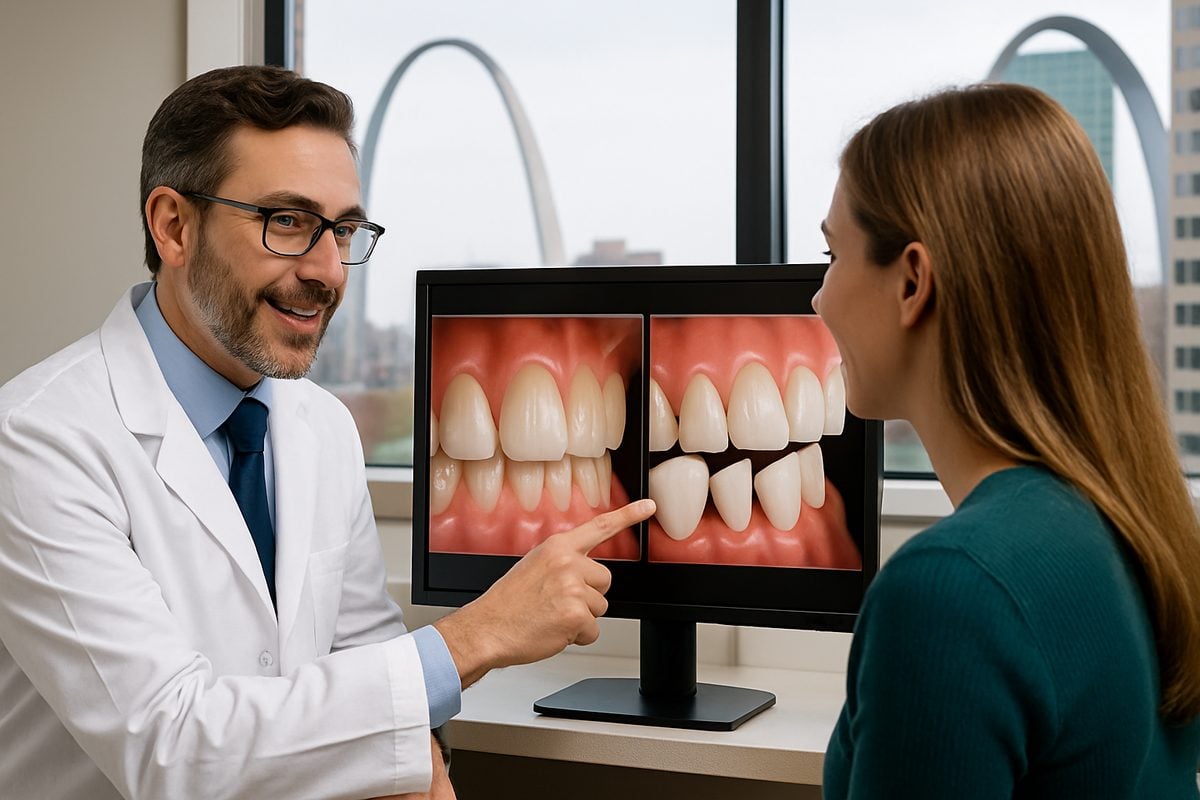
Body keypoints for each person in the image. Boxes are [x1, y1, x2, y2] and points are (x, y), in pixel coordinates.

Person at [0, 65, 654, 800]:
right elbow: (171, 746)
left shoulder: (322, 427)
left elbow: (364, 663)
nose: (328, 271)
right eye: (288, 222)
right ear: (174, 226)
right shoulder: (36, 443)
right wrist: (481, 634)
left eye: (343, 229)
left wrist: (429, 770)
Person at [812, 82, 1200, 798]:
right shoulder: (1136, 525)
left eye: (832, 254)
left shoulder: (950, 590)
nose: (818, 296)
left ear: (912, 283)